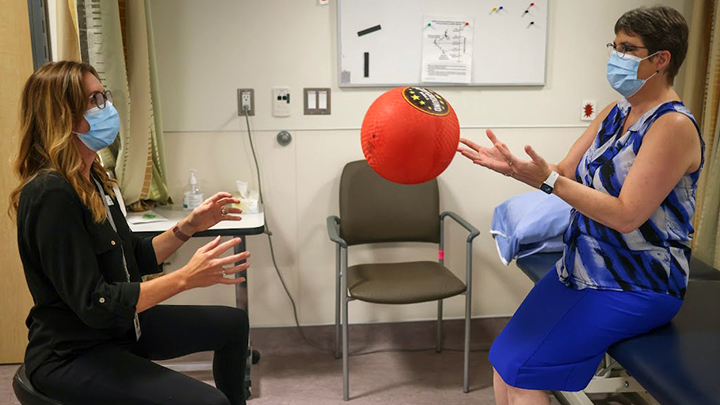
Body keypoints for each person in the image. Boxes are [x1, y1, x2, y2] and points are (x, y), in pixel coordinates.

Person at [457, 6, 702, 405]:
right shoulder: (613, 113)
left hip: (638, 282)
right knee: (504, 360)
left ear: (661, 60)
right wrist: (517, 170)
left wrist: (547, 180)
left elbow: (626, 215)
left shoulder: (672, 126)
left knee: (522, 374)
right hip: (581, 266)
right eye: (615, 45)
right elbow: (565, 172)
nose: (616, 57)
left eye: (627, 49)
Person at [10, 61, 251, 405]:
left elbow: (130, 257)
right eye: (94, 100)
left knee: (233, 324)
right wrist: (184, 278)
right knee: (209, 403)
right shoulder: (51, 193)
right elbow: (97, 303)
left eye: (103, 96)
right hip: (72, 354)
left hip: (119, 329)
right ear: (62, 116)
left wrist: (188, 226)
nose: (106, 107)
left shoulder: (93, 178)